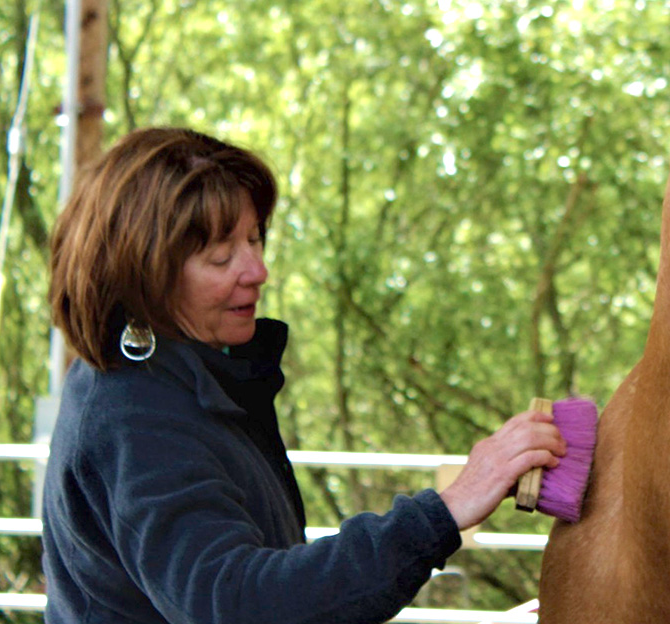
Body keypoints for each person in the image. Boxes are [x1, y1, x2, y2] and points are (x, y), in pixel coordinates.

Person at [42, 127, 567, 623]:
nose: (257, 271)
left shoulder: (186, 380)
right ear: (143, 274)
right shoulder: (133, 415)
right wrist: (446, 511)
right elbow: (237, 603)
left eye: (255, 240)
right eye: (222, 256)